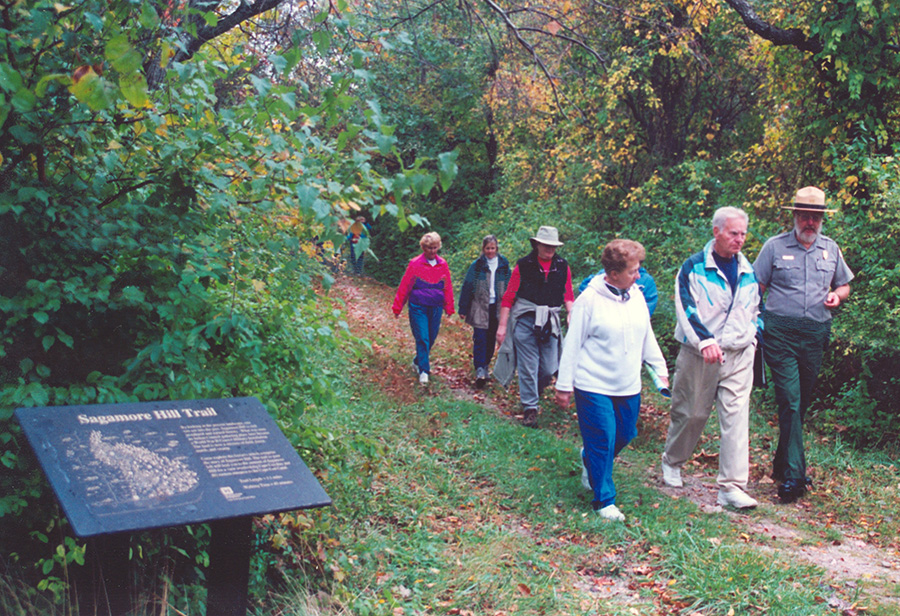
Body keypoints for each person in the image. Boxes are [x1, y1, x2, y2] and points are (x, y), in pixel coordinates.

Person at [555, 239, 668, 521]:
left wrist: (659, 366)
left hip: (627, 384)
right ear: (614, 273)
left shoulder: (637, 296)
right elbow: (572, 344)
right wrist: (564, 385)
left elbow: (646, 334)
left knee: (626, 433)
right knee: (602, 438)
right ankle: (604, 500)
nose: (638, 275)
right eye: (633, 270)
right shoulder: (589, 301)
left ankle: (589, 459)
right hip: (592, 383)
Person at [753, 186, 853, 503]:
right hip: (780, 332)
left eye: (816, 217)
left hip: (815, 333)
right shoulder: (774, 247)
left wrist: (837, 296)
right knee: (791, 401)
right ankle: (795, 477)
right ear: (794, 216)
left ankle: (782, 465)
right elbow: (756, 286)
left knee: (801, 403)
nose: (810, 222)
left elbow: (844, 284)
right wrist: (752, 323)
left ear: (822, 219)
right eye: (805, 216)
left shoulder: (831, 248)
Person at [660, 207, 762, 510]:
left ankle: (731, 487)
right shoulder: (693, 268)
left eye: (743, 234)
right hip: (700, 354)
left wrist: (755, 336)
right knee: (691, 413)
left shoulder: (748, 270)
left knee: (736, 418)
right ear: (716, 232)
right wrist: (704, 341)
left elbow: (757, 308)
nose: (740, 240)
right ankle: (673, 460)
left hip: (739, 354)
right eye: (733, 233)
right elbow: (686, 308)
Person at [494, 226, 575, 428]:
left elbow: (568, 295)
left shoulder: (562, 266)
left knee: (549, 368)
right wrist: (502, 326)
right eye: (546, 245)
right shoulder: (524, 265)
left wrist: (572, 315)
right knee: (528, 367)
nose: (549, 249)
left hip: (550, 321)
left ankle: (534, 394)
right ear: (537, 244)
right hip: (526, 320)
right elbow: (509, 296)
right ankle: (530, 408)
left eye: (553, 246)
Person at [392, 232, 455, 385]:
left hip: (436, 306)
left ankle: (417, 361)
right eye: (429, 248)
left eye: (434, 248)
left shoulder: (442, 264)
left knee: (431, 337)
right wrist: (398, 306)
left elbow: (447, 287)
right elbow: (405, 285)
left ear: (438, 247)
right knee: (422, 337)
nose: (432, 251)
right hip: (418, 305)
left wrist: (449, 307)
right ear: (423, 248)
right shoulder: (415, 263)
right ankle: (424, 371)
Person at [458, 235, 512, 388]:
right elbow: (467, 285)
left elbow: (510, 285)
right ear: (483, 249)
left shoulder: (503, 264)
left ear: (496, 248)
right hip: (479, 305)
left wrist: (511, 306)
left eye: (492, 248)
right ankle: (480, 368)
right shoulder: (477, 265)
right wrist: (463, 307)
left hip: (497, 306)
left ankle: (486, 364)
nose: (490, 251)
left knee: (491, 338)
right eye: (487, 248)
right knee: (480, 337)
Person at [579, 266, 659, 317]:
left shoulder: (646, 281)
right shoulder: (603, 274)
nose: (637, 276)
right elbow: (586, 289)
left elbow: (647, 310)